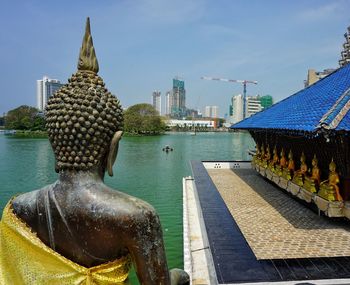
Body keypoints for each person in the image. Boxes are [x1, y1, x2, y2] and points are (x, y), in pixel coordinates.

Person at [0, 18, 189, 285]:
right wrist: (179, 277)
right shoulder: (136, 216)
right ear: (114, 145)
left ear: (55, 144)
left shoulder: (19, 209)